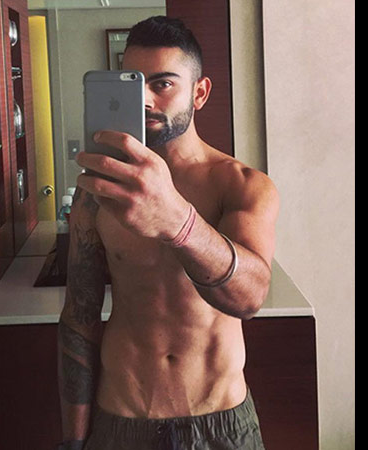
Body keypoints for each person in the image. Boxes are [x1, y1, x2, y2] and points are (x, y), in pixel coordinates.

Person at [57, 15, 279, 450]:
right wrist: (72, 440)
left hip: (220, 424)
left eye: (162, 84)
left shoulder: (241, 185)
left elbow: (249, 298)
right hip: (122, 419)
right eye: (133, 83)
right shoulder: (98, 193)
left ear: (199, 92)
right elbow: (79, 319)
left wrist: (177, 221)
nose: (144, 98)